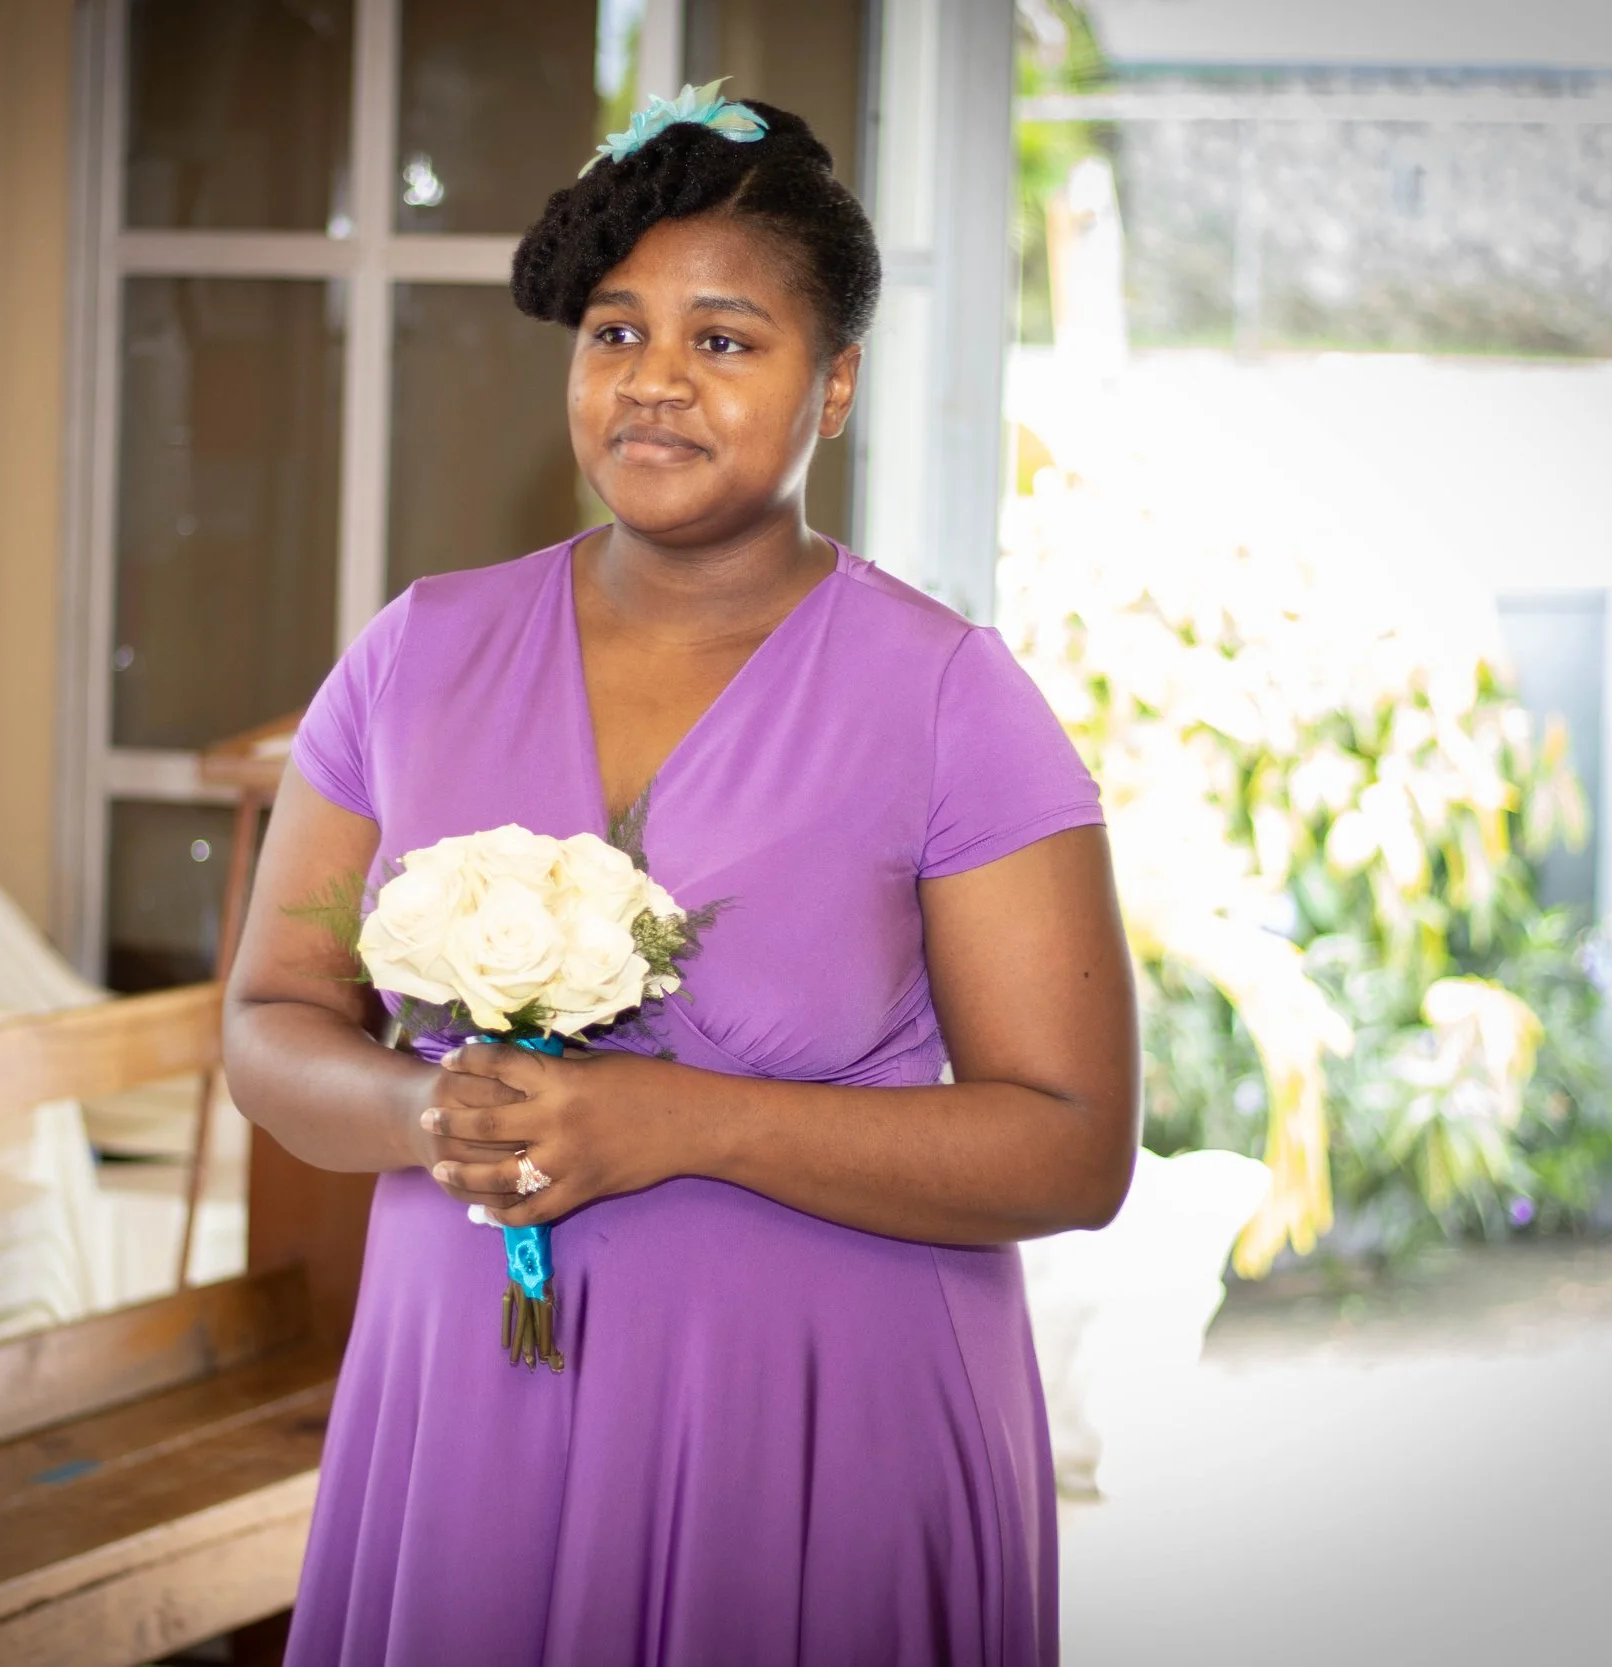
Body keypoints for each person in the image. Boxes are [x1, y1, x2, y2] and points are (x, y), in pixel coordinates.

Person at [224, 85, 1140, 1667]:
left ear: (836, 383)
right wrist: (420, 1110)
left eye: (724, 341)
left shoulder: (946, 697)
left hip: (822, 1435)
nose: (653, 383)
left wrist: (675, 1124)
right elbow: (271, 1018)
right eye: (613, 332)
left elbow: (1072, 1148)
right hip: (474, 1419)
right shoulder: (417, 653)